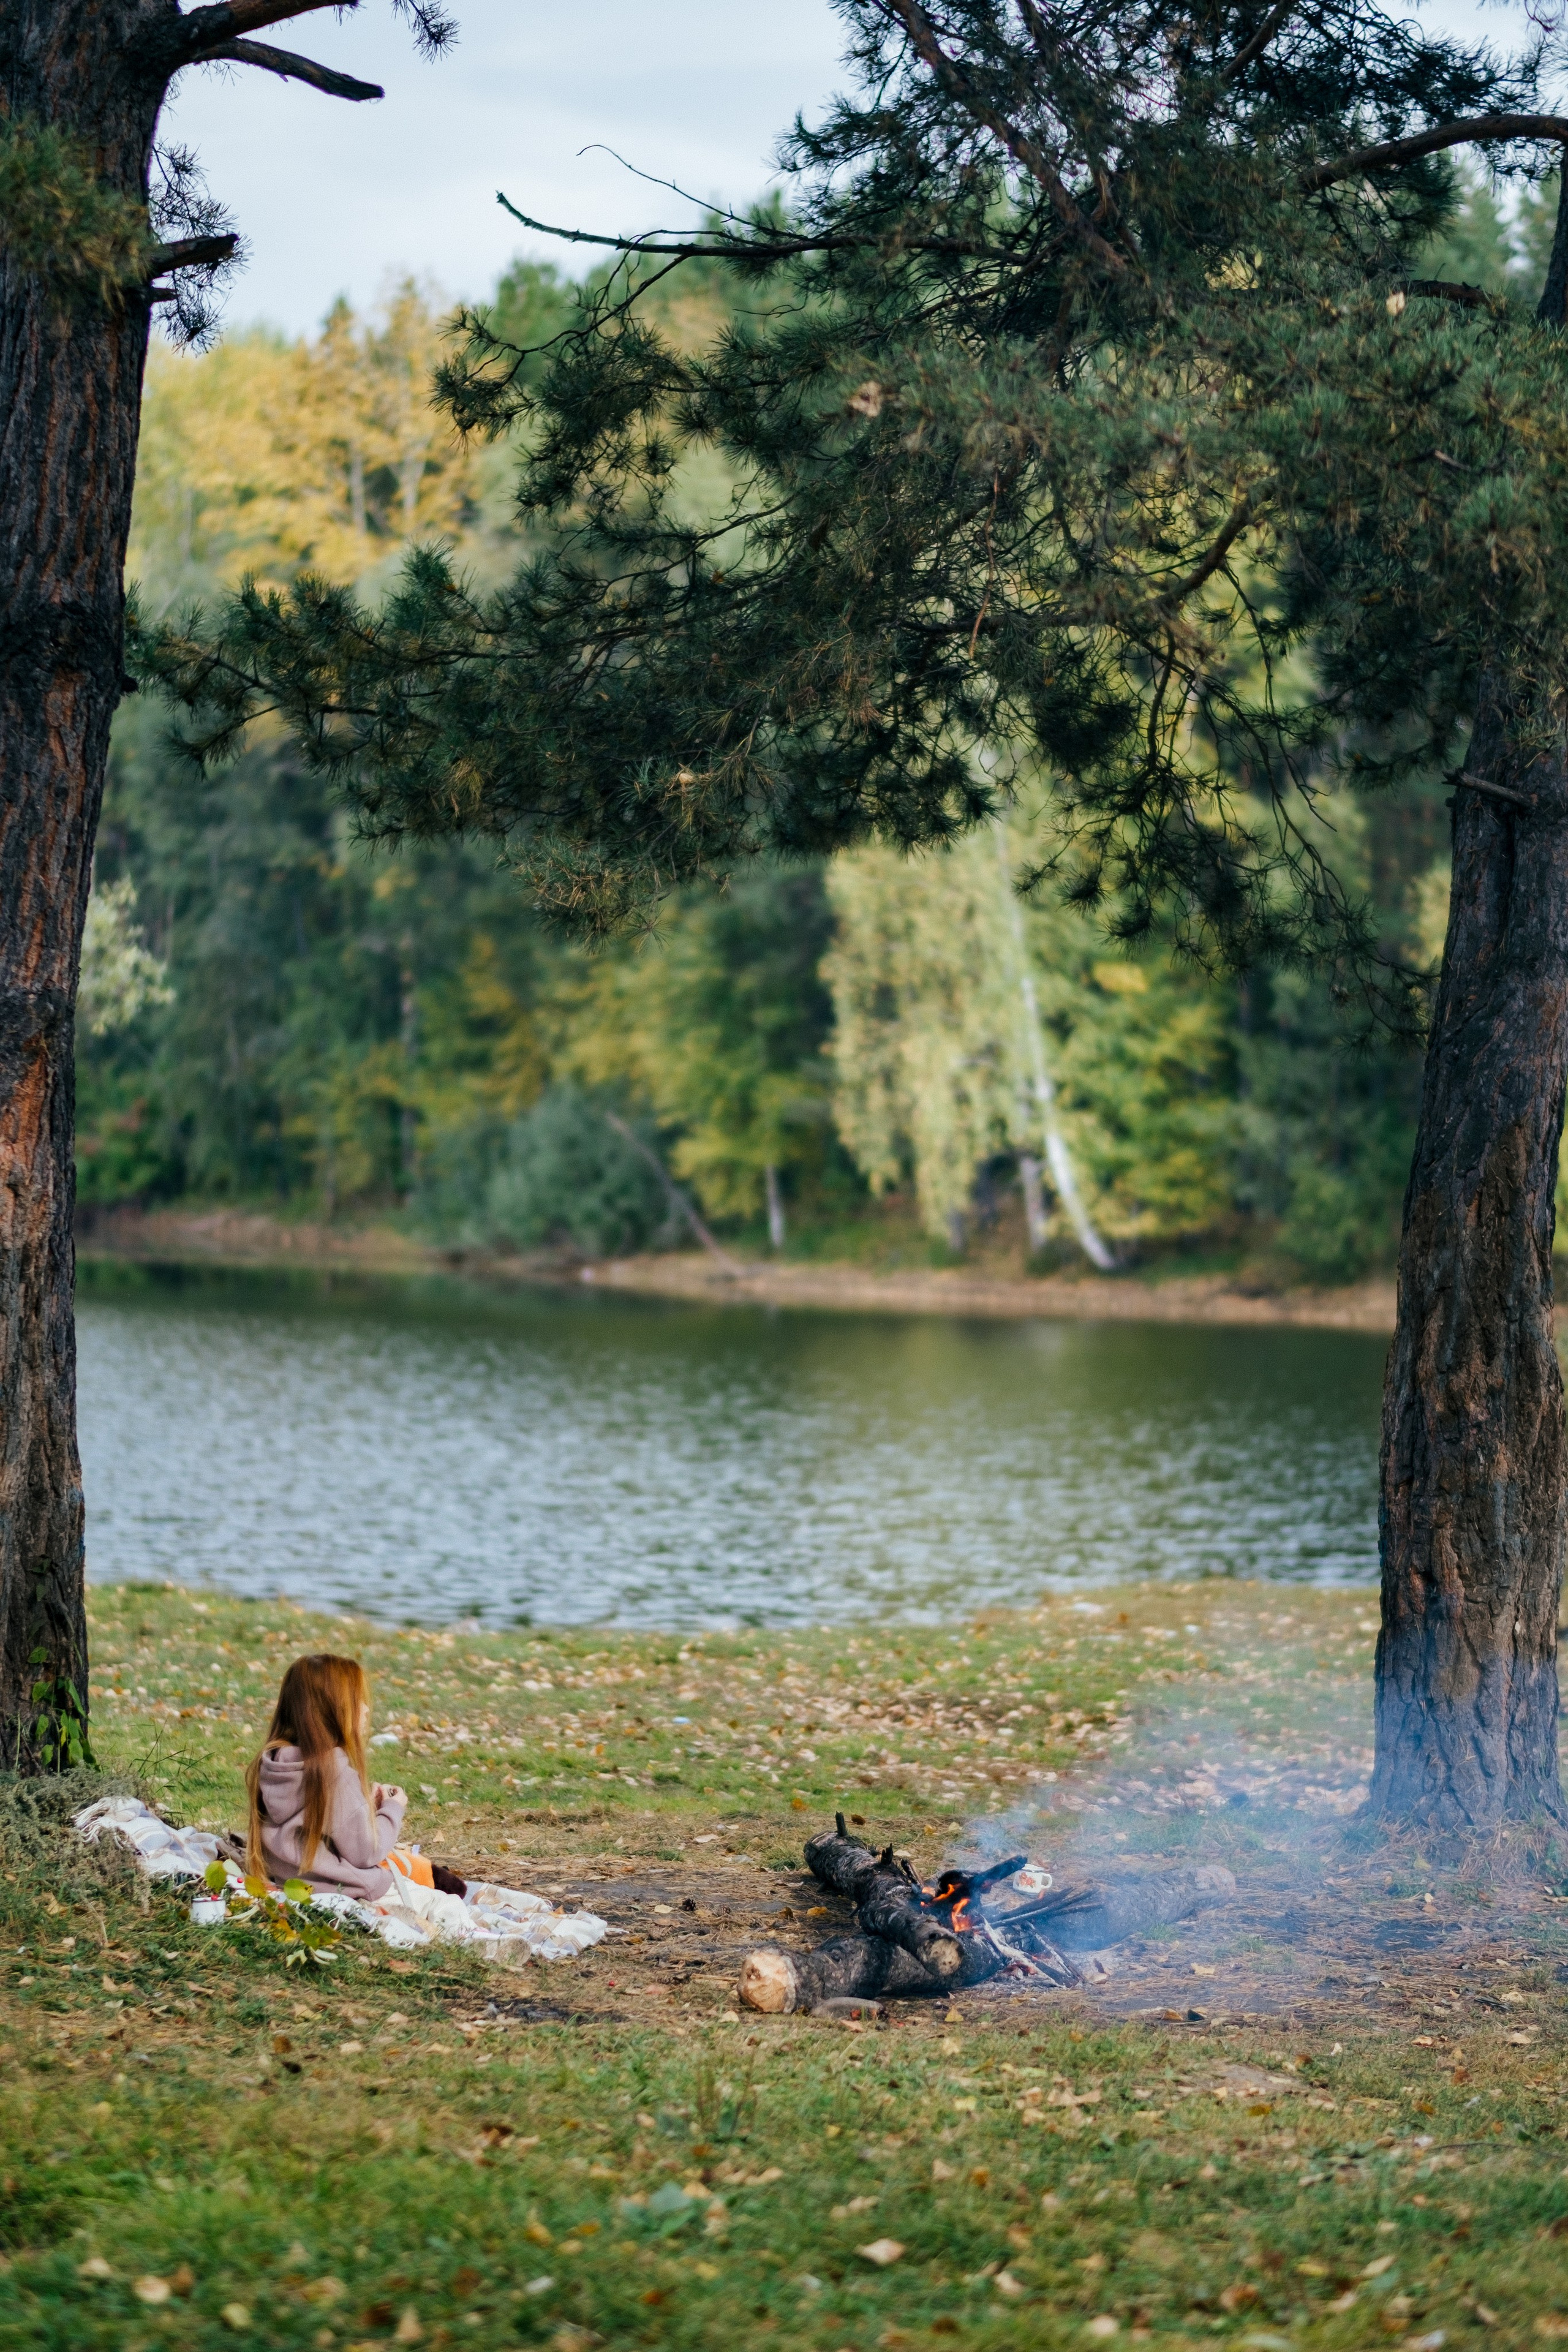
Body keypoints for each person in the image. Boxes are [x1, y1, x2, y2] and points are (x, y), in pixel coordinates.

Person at [246, 1653, 466, 1901]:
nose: (366, 1709)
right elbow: (366, 1853)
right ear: (335, 1711)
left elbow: (315, 1826)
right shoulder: (335, 1773)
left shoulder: (274, 1762)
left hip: (289, 1881)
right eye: (357, 1700)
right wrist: (392, 1809)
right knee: (439, 1888)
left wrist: (362, 1807)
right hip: (340, 1888)